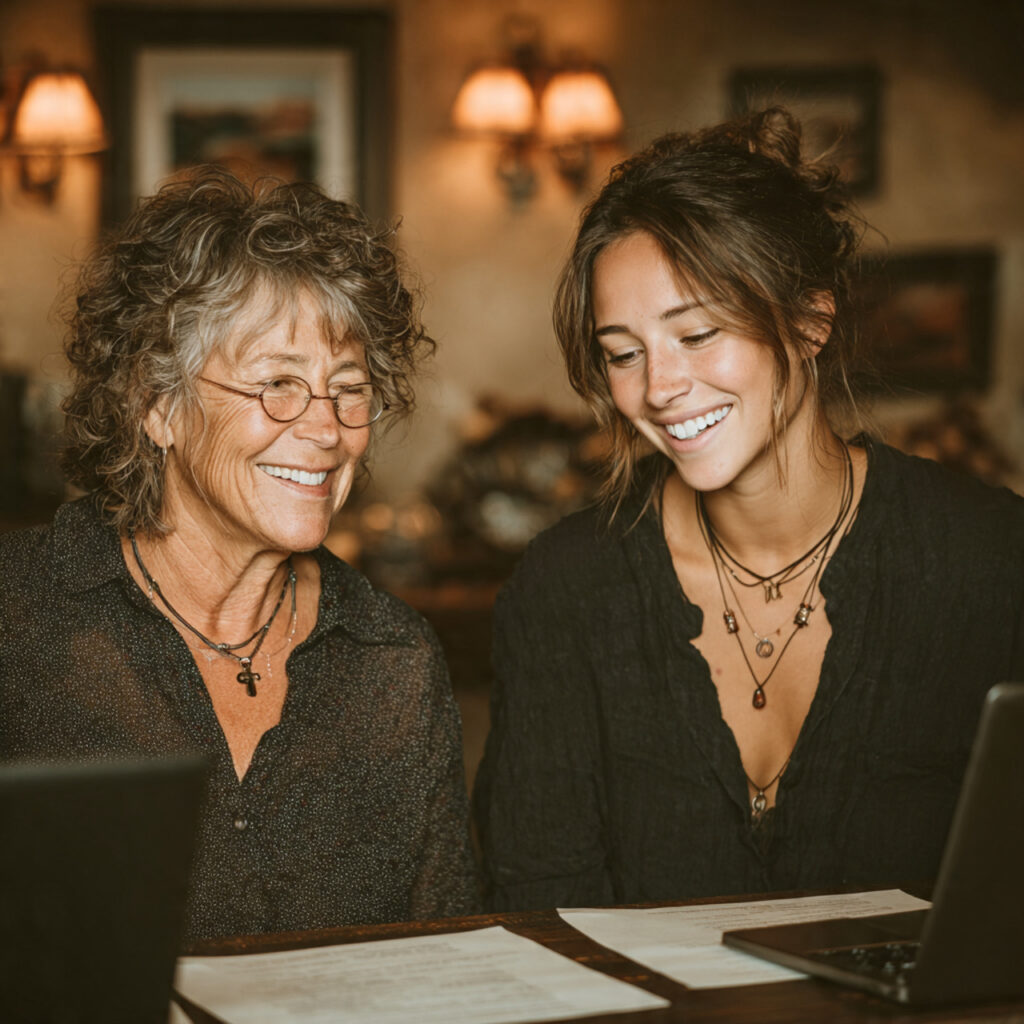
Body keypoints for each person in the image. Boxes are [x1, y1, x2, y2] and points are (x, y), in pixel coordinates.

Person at [474, 108, 1024, 911]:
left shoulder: (990, 564)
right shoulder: (566, 591)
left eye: (696, 335)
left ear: (809, 319)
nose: (658, 388)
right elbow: (540, 917)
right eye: (623, 353)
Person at [0, 168, 479, 940]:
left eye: (348, 387)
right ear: (157, 404)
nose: (327, 430)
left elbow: (443, 960)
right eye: (278, 384)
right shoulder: (18, 620)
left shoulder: (393, 658)